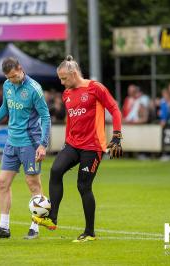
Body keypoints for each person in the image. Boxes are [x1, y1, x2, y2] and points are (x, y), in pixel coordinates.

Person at [32, 55, 123, 242]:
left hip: (93, 146)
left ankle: (90, 232)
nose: (61, 82)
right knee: (55, 170)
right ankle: (52, 218)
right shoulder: (66, 95)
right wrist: (67, 141)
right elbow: (71, 121)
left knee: (83, 186)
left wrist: (117, 136)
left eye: (64, 78)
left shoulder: (95, 88)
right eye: (60, 78)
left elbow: (114, 109)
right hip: (73, 144)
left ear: (73, 74)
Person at [0, 57, 51, 240]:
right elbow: (5, 108)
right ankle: (4, 227)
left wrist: (43, 144)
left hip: (30, 143)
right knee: (2, 182)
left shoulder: (34, 89)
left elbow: (46, 117)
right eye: (8, 77)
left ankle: (35, 227)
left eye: (14, 76)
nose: (12, 80)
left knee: (33, 184)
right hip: (12, 141)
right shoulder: (7, 85)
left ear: (20, 68)